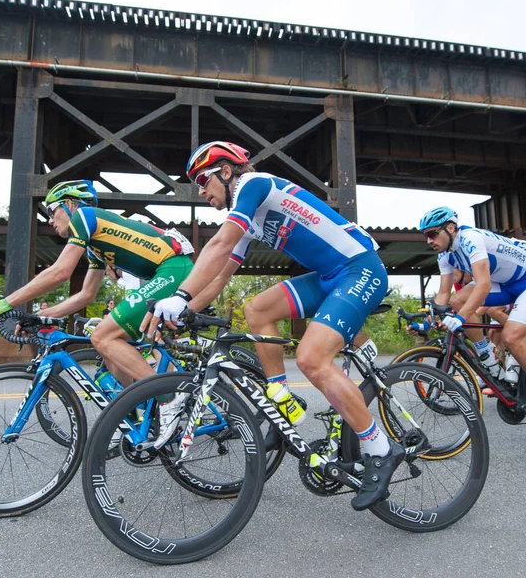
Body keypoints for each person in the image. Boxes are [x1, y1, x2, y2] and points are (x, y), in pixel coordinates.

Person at [141, 140, 404, 511]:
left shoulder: (254, 185)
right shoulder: (248, 216)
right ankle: (281, 399)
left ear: (227, 171)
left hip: (360, 269)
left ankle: (380, 448)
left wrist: (180, 295)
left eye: (203, 181)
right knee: (258, 309)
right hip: (329, 275)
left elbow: (218, 244)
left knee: (313, 360)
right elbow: (219, 275)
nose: (201, 192)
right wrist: (185, 313)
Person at [0, 179, 195, 446]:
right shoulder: (96, 245)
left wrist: (5, 303)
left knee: (102, 336)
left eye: (51, 210)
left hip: (173, 267)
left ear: (69, 204)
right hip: (164, 272)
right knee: (110, 347)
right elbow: (85, 295)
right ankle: (135, 414)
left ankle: (169, 396)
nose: (49, 220)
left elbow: (60, 271)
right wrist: (38, 317)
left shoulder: (83, 216)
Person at [419, 206, 526, 386]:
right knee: (457, 300)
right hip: (506, 283)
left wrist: (460, 318)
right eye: (426, 236)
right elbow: (444, 294)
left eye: (432, 233)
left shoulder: (471, 239)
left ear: (451, 228)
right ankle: (488, 360)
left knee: (511, 337)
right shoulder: (445, 254)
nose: (429, 240)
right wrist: (426, 323)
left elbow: (484, 284)